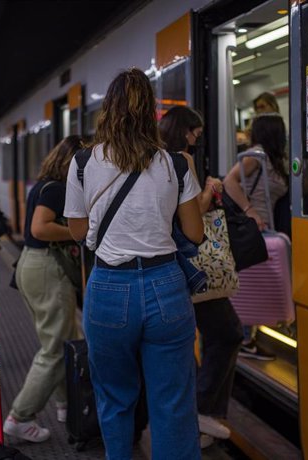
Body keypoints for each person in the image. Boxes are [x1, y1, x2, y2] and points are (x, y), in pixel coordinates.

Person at [64, 68, 204, 459]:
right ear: (152, 113)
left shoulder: (82, 163)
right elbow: (194, 233)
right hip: (166, 286)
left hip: (109, 287)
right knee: (173, 404)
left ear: (108, 109)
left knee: (114, 400)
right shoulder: (175, 164)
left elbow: (77, 231)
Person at [160, 106, 243, 449]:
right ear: (185, 131)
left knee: (212, 336)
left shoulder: (157, 158)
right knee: (229, 333)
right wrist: (212, 190)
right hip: (192, 264)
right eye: (196, 131)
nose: (198, 137)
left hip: (169, 263)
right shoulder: (183, 160)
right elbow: (191, 218)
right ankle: (202, 410)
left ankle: (205, 420)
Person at [2, 135, 82, 442]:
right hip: (46, 266)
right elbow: (39, 228)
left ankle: (65, 404)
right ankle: (20, 417)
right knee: (54, 348)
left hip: (31, 265)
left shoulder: (44, 185)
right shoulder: (59, 189)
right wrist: (76, 233)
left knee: (62, 340)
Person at [224, 113, 289, 360]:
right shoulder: (256, 156)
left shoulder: (274, 159)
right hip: (253, 229)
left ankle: (247, 337)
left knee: (256, 281)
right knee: (250, 282)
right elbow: (230, 181)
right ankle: (244, 338)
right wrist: (250, 211)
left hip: (266, 230)